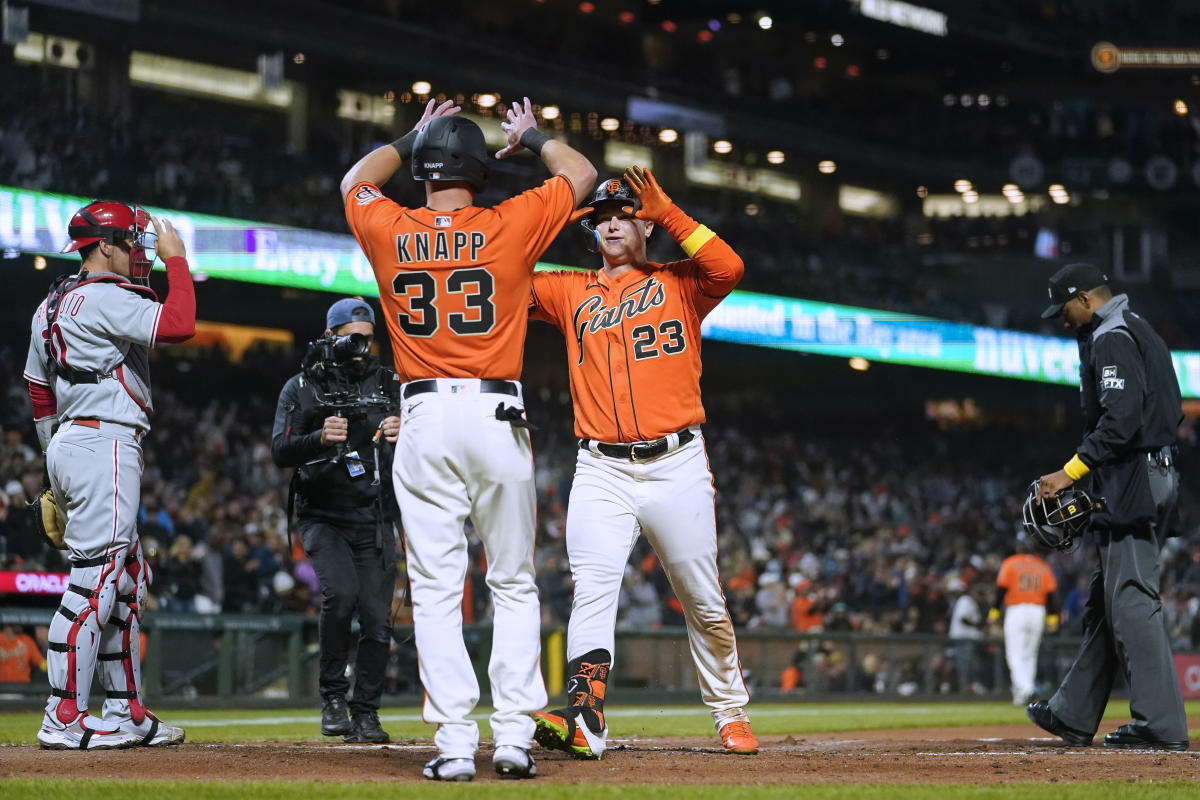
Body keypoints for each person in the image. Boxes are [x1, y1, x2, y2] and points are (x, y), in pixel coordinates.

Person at [340, 97, 596, 781]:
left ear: (423, 170)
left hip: (423, 416)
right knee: (512, 581)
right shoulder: (509, 223)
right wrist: (533, 136)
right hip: (495, 415)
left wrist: (408, 135)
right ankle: (513, 737)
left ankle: (455, 744)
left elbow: (354, 181)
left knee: (435, 584)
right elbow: (582, 172)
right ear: (481, 171)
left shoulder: (389, 223)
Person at [526, 168, 757, 757]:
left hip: (676, 462)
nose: (609, 224)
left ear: (645, 223)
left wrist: (670, 212)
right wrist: (548, 207)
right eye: (601, 218)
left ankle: (729, 709)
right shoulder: (568, 290)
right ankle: (586, 717)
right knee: (593, 589)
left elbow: (729, 268)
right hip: (600, 467)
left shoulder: (682, 282)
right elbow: (505, 275)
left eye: (622, 214)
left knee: (702, 595)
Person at [23, 200, 194, 749]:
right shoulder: (104, 295)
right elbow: (179, 323)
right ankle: (63, 715)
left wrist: (56, 463)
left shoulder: (51, 303)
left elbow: (38, 389)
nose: (140, 250)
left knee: (123, 582)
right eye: (131, 241)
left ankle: (126, 711)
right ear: (103, 245)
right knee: (96, 580)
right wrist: (179, 263)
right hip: (105, 441)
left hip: (75, 440)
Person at [1026, 262, 1189, 751]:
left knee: (1132, 601)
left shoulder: (1113, 337)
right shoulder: (1134, 329)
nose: (1062, 319)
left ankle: (1160, 726)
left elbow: (1120, 422)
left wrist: (1070, 472)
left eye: (1065, 309)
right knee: (1107, 599)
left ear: (1086, 299)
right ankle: (1073, 713)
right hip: (1142, 473)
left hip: (1136, 477)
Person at [271, 297, 401, 744]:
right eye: (351, 338)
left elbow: (428, 444)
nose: (361, 348)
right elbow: (279, 451)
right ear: (330, 336)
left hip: (375, 515)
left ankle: (365, 712)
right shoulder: (303, 386)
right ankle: (333, 699)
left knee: (377, 620)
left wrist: (409, 432)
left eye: (367, 339)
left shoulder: (391, 384)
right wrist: (317, 437)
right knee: (341, 596)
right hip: (323, 512)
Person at [993, 540, 1058, 706]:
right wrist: (1052, 618)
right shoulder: (1043, 565)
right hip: (1038, 611)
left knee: (1015, 654)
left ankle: (1027, 689)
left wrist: (994, 611)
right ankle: (1021, 696)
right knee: (1030, 654)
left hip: (1017, 610)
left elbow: (1001, 589)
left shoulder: (1010, 563)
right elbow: (1051, 596)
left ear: (1017, 548)